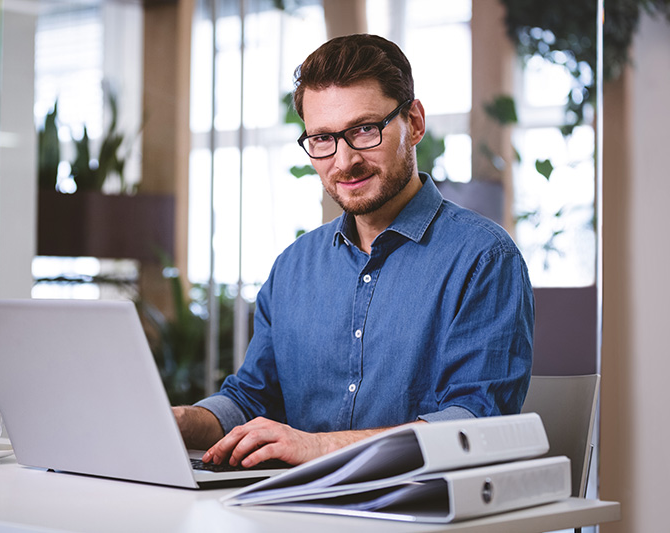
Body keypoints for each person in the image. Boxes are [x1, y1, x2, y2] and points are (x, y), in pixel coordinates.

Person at [173, 34, 534, 470]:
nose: (343, 161)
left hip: (421, 511)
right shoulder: (293, 267)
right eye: (322, 139)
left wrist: (318, 446)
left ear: (414, 123)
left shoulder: (484, 259)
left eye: (364, 130)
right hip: (291, 510)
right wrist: (178, 421)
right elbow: (252, 399)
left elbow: (476, 424)